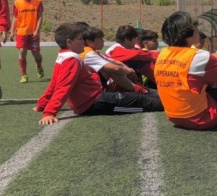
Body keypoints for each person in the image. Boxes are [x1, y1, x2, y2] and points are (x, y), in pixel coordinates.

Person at [35, 22, 163, 125]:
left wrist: (41, 105)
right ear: (69, 42)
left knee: (140, 98)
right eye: (80, 39)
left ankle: (166, 98)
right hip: (95, 103)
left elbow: (53, 84)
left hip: (97, 98)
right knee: (144, 102)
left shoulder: (63, 57)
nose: (83, 42)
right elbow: (63, 87)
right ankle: (175, 103)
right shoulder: (71, 59)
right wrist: (49, 112)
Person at [154, 11, 217, 130]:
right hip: (202, 118)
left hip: (174, 117)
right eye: (196, 28)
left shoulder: (162, 54)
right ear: (190, 34)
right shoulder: (198, 56)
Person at [9, 0, 44, 83]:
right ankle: (24, 75)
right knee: (22, 51)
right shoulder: (17, 2)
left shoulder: (38, 1)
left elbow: (40, 17)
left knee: (36, 53)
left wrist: (37, 30)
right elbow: (15, 17)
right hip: (21, 32)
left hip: (33, 32)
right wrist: (12, 32)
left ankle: (39, 65)